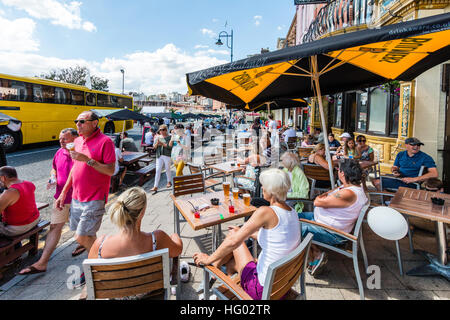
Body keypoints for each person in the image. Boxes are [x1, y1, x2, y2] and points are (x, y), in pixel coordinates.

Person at [193, 168, 301, 300]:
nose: (262, 188)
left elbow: (233, 241)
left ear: (272, 190)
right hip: (281, 285)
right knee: (233, 254)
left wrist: (208, 259)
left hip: (261, 290)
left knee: (233, 236)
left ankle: (211, 269)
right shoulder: (292, 212)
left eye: (264, 185)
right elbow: (278, 238)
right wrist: (248, 234)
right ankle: (217, 271)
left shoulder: (266, 211)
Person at [87, 187, 183, 299]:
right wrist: (175, 236)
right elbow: (178, 250)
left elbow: (93, 277)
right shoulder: (157, 239)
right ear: (142, 213)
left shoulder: (100, 245)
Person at [55, 111, 116, 260]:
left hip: (94, 197)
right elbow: (74, 169)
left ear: (95, 123)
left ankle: (101, 262)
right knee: (87, 235)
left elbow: (110, 170)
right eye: (76, 121)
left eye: (82, 121)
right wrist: (64, 192)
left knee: (81, 237)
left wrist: (87, 160)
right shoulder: (77, 141)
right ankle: (95, 264)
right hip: (76, 197)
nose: (78, 124)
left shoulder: (105, 141)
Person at [19, 129, 79, 275]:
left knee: (82, 230)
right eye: (60, 139)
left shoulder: (80, 153)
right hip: (60, 197)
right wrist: (53, 177)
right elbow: (54, 168)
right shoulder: (59, 152)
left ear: (75, 139)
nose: (62, 141)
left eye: (65, 139)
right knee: (55, 227)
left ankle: (85, 247)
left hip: (79, 197)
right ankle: (42, 262)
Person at [298, 159, 368, 275]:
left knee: (293, 226)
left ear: (342, 174)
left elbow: (317, 202)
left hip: (331, 233)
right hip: (320, 222)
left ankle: (315, 255)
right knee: (291, 216)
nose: (337, 172)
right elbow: (326, 195)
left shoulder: (348, 193)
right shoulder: (348, 188)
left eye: (338, 170)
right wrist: (323, 197)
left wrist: (320, 197)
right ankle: (313, 252)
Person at [372, 137, 438, 191]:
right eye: (413, 144)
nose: (416, 147)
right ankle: (389, 200)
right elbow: (395, 167)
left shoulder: (425, 157)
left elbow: (434, 174)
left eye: (418, 145)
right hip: (399, 178)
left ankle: (389, 201)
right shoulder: (401, 154)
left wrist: (414, 179)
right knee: (375, 180)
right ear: (406, 145)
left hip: (411, 183)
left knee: (378, 182)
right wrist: (394, 171)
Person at [0, 166, 40, 237]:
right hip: (35, 220)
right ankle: (17, 246)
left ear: (3, 178)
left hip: (18, 228)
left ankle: (10, 247)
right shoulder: (29, 184)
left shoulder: (10, 192)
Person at [150, 124, 173, 193]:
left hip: (167, 155)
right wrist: (157, 143)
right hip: (159, 155)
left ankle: (169, 181)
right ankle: (155, 186)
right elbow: (154, 147)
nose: (161, 131)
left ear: (166, 130)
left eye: (163, 130)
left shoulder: (170, 137)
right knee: (158, 170)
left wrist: (163, 144)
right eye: (160, 130)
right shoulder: (157, 137)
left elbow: (170, 147)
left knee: (167, 169)